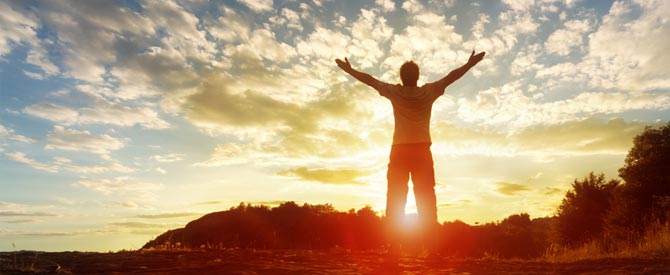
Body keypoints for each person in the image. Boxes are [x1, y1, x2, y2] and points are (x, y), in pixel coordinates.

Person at [335, 50, 485, 253]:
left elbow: (369, 80)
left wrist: (349, 70)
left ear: (401, 77)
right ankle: (431, 247)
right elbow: (451, 76)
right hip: (422, 150)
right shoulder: (429, 92)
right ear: (417, 76)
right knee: (426, 198)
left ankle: (394, 247)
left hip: (399, 151)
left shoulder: (394, 92)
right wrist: (469, 64)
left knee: (396, 197)